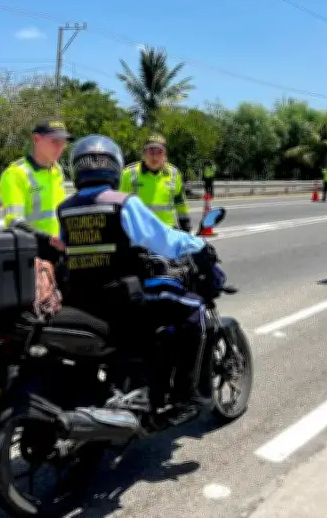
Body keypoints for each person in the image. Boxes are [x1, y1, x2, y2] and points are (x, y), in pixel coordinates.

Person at [55, 134, 220, 416]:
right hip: (124, 296)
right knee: (196, 312)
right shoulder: (122, 203)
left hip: (82, 299)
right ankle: (187, 395)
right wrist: (200, 245)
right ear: (114, 167)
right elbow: (166, 241)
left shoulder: (65, 209)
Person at [0, 118, 72, 247]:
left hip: (59, 247)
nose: (61, 147)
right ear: (36, 139)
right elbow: (14, 221)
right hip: (32, 249)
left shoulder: (57, 170)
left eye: (63, 142)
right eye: (55, 141)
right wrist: (48, 239)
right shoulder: (15, 173)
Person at [120, 134, 192, 232]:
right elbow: (119, 205)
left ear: (165, 155)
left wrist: (186, 228)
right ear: (144, 154)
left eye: (159, 152)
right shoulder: (128, 174)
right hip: (139, 235)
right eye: (151, 151)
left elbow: (180, 204)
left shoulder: (174, 174)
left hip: (166, 234)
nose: (155, 156)